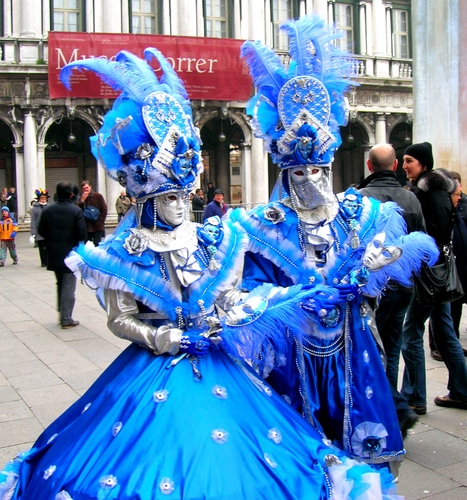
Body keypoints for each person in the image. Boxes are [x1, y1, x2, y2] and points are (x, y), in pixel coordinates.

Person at [0, 48, 401, 500]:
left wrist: (266, 306)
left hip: (218, 356)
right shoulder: (121, 253)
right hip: (155, 365)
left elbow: (232, 298)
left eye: (182, 196)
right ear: (147, 199)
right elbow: (119, 318)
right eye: (169, 198)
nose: (180, 206)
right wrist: (163, 337)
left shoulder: (210, 238)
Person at [234, 15, 438, 469]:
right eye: (300, 173)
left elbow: (382, 265)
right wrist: (294, 299)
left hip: (352, 348)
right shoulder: (262, 228)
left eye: (318, 170)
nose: (310, 180)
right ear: (285, 173)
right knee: (301, 460)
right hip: (293, 356)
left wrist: (364, 279)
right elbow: (245, 293)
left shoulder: (356, 215)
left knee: (363, 455)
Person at [358, 143, 425, 436]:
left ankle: (392, 412)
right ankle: (392, 413)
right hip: (404, 286)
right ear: (395, 165)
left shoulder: (361, 199)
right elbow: (421, 242)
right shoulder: (411, 198)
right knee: (392, 348)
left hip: (374, 289)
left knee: (371, 351)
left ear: (369, 165)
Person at [400, 142, 467, 412]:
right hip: (439, 275)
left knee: (411, 333)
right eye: (404, 160)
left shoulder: (427, 194)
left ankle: (414, 397)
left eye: (410, 161)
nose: (405, 166)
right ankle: (461, 391)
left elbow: (433, 237)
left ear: (424, 164)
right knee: (445, 332)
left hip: (428, 275)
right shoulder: (437, 191)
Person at [38, 181, 87, 329]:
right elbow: (81, 233)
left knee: (60, 283)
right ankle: (66, 319)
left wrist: (52, 239)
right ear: (71, 194)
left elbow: (41, 230)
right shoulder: (75, 211)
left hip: (53, 251)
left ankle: (62, 313)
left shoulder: (48, 210)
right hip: (70, 253)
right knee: (68, 286)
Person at [428, 175, 467, 360]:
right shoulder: (442, 214)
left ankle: (451, 345)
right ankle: (439, 346)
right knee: (442, 314)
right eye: (457, 194)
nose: (460, 198)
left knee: (453, 311)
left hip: (458, 270)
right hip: (444, 272)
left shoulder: (455, 213)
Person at [78, 180, 107, 245]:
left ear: (90, 187)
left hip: (97, 226)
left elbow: (104, 210)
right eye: (84, 188)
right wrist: (82, 201)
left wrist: (100, 222)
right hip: (87, 227)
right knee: (87, 245)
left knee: (97, 245)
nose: (86, 189)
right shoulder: (82, 198)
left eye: (87, 187)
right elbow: (78, 211)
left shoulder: (98, 196)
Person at [30, 188, 50, 267]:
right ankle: (43, 262)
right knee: (41, 248)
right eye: (41, 198)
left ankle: (48, 261)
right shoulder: (35, 208)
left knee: (48, 247)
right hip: (39, 231)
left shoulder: (49, 207)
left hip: (48, 231)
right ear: (38, 199)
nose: (43, 200)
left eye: (44, 198)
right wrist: (33, 233)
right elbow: (33, 221)